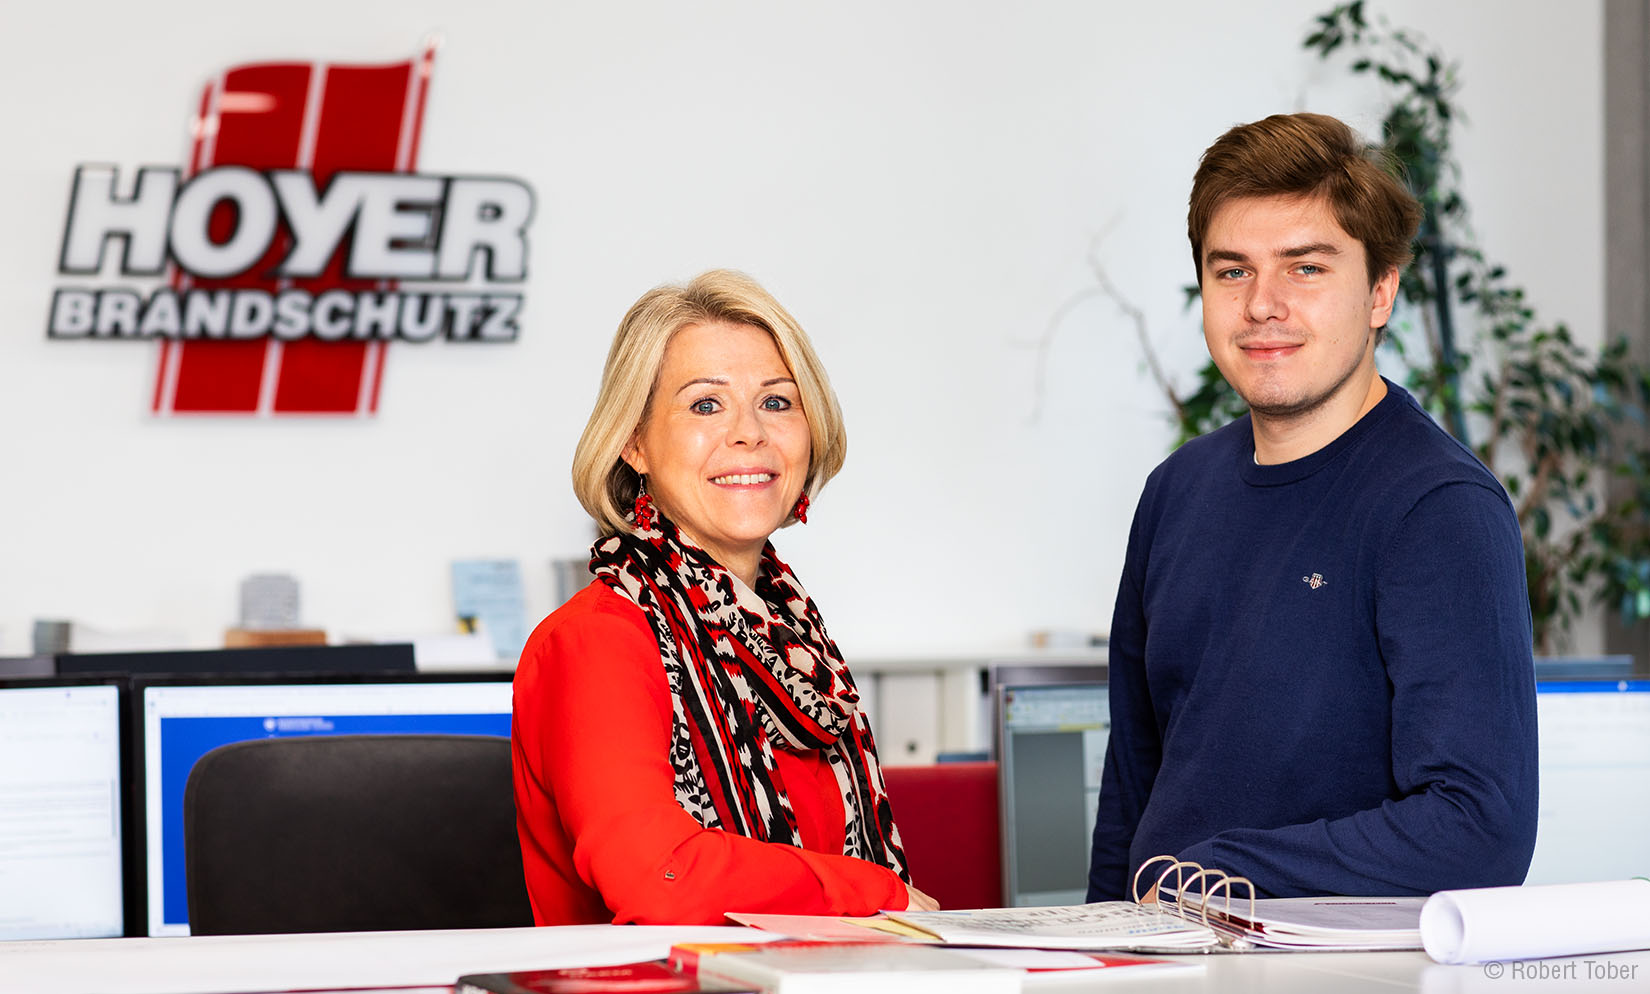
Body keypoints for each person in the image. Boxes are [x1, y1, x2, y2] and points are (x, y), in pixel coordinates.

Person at [1087, 113, 1539, 902]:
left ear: (1380, 293)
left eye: (1305, 269)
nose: (1263, 304)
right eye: (1232, 272)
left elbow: (1478, 828)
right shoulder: (1175, 493)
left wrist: (1212, 878)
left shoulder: (1439, 509)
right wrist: (1101, 954)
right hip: (1163, 959)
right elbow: (1133, 793)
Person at [512, 269, 938, 925]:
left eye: (776, 402)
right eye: (706, 405)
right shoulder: (597, 638)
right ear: (634, 441)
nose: (749, 433)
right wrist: (875, 893)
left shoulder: (796, 646)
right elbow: (658, 878)